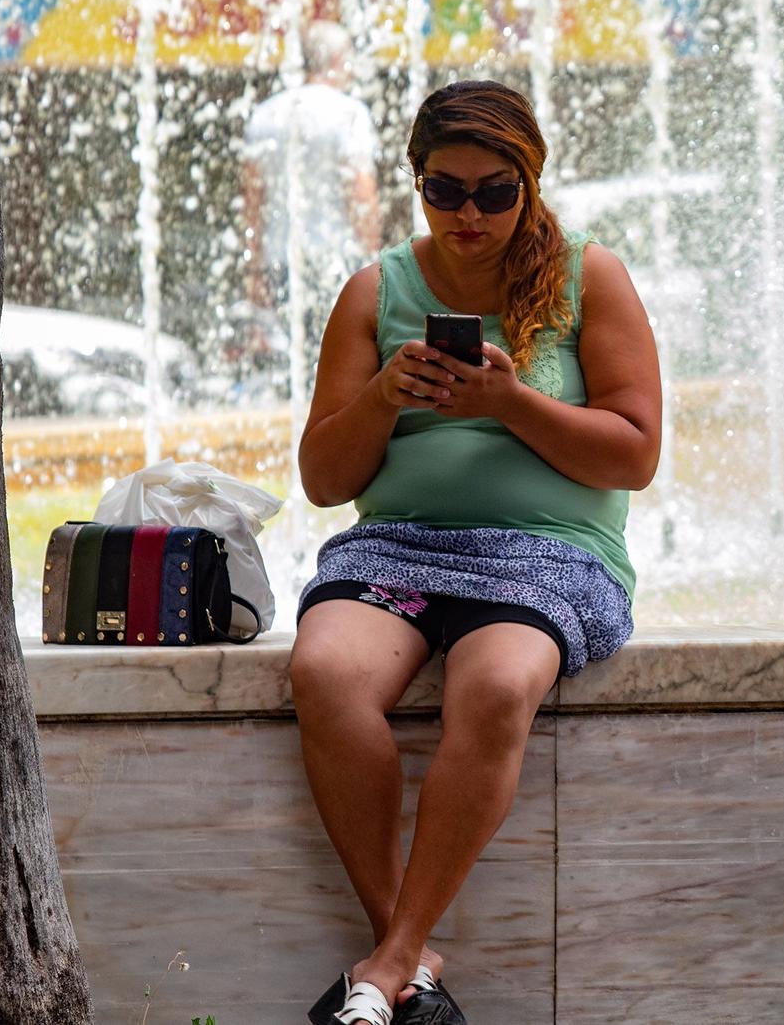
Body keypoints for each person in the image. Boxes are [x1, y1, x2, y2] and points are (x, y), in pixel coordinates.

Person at [288, 80, 660, 1025]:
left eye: (495, 192)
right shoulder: (378, 289)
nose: (468, 213)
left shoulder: (589, 277)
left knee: (494, 687)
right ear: (415, 184)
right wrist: (381, 397)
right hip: (401, 547)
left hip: (547, 550)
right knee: (326, 670)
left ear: (529, 185)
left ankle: (390, 965)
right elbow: (325, 479)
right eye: (443, 189)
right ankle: (401, 954)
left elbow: (636, 451)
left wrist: (510, 402)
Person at [242, 19, 383, 380]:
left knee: (299, 361)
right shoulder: (349, 112)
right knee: (343, 362)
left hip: (280, 260)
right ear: (337, 59)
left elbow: (252, 201)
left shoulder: (266, 113)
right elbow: (361, 193)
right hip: (338, 259)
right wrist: (376, 260)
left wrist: (254, 267)